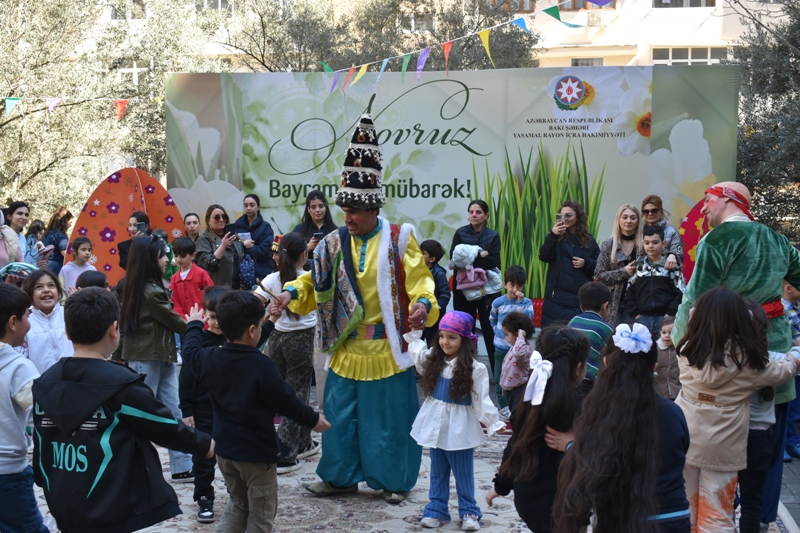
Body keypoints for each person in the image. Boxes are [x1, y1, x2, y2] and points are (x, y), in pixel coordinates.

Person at [270, 113, 439, 504]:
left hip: (386, 350)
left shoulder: (400, 239)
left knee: (387, 423)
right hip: (345, 349)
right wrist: (290, 294)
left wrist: (424, 305)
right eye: (343, 209)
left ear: (375, 208)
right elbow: (314, 280)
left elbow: (421, 283)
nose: (348, 217)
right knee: (340, 419)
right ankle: (339, 477)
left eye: (356, 212)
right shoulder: (331, 242)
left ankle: (394, 482)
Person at [671, 182, 800, 528]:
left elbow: (694, 298)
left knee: (715, 441)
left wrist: (683, 344)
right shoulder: (778, 240)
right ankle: (760, 519)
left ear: (728, 200)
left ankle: (712, 515)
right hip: (774, 345)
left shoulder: (717, 240)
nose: (705, 209)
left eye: (708, 200)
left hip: (723, 351)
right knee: (768, 444)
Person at [32, 288, 214, 533]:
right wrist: (204, 444)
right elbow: (161, 425)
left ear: (67, 332)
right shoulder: (121, 384)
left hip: (62, 498)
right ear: (114, 329)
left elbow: (41, 441)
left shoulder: (45, 381)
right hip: (110, 502)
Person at [183, 291, 330, 533]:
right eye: (261, 326)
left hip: (225, 453)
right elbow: (287, 401)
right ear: (252, 331)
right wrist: (313, 419)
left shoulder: (210, 358)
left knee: (239, 503)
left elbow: (189, 352)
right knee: (261, 518)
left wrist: (193, 325)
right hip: (256, 455)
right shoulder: (263, 366)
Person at [676, 287, 800, 533]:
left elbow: (693, 319)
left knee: (687, 507)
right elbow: (784, 370)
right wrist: (796, 353)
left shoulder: (687, 349)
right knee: (717, 513)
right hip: (723, 447)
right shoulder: (748, 362)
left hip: (687, 438)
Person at [554, 324, 691, 533]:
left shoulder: (598, 413)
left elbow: (593, 468)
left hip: (621, 520)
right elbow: (680, 453)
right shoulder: (673, 412)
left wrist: (572, 445)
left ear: (606, 362)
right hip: (674, 519)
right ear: (654, 366)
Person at [405, 311, 504, 532]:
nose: (445, 342)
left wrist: (492, 422)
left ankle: (469, 511)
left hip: (460, 427)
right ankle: (436, 509)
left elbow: (481, 399)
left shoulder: (475, 369)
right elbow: (418, 355)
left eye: (452, 337)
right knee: (437, 469)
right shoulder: (434, 360)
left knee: (462, 472)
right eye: (442, 336)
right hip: (435, 424)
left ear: (464, 340)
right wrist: (415, 334)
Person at [486, 326, 590, 533]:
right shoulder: (585, 402)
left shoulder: (528, 396)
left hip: (529, 498)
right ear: (579, 367)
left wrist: (501, 485)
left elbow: (516, 445)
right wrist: (573, 443)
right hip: (567, 501)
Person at [113, 235, 193, 482]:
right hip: (145, 359)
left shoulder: (140, 287)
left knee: (173, 410)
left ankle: (182, 465)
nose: (167, 259)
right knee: (142, 414)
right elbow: (175, 321)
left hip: (160, 357)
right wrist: (198, 328)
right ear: (150, 260)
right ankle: (131, 464)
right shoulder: (151, 292)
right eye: (162, 255)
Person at [254, 232, 320, 473]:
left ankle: (303, 443)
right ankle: (285, 453)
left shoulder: (272, 278)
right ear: (305, 254)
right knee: (296, 395)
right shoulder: (308, 279)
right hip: (301, 340)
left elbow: (253, 302)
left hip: (275, 338)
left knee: (280, 393)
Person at [0, 284, 49, 533]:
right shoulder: (19, 367)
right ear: (13, 322)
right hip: (8, 474)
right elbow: (41, 415)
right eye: (27, 316)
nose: (29, 322)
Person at [740, 299, 787, 533]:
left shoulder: (727, 360)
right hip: (760, 438)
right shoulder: (771, 359)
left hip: (730, 434)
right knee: (753, 498)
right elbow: (793, 362)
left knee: (723, 492)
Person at [450, 200, 501, 370]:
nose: (473, 215)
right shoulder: (460, 233)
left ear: (486, 215)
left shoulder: (493, 235)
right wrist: (480, 255)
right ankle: (464, 370)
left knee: (490, 330)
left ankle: (496, 373)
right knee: (464, 329)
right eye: (471, 211)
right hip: (463, 290)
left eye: (478, 212)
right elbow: (456, 259)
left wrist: (470, 258)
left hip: (488, 291)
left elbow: (493, 261)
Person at [539, 200, 600, 326]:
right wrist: (553, 235)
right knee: (553, 338)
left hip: (579, 298)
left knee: (576, 338)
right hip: (556, 299)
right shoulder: (555, 238)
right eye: (562, 215)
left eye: (569, 215)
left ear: (578, 217)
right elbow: (544, 256)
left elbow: (599, 265)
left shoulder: (589, 240)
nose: (565, 218)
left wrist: (586, 263)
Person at [624, 225, 685, 337]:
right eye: (647, 243)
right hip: (642, 319)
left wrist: (669, 314)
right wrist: (636, 314)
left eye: (655, 242)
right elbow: (629, 292)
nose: (650, 246)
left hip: (665, 320)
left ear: (664, 243)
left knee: (663, 351)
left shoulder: (672, 267)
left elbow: (680, 293)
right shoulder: (639, 267)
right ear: (643, 244)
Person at [489, 265, 534, 418]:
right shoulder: (498, 302)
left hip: (519, 351)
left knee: (518, 377)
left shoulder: (526, 303)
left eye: (519, 285)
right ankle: (503, 407)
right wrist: (497, 330)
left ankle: (517, 403)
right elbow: (492, 318)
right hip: (501, 347)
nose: (515, 289)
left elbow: (528, 319)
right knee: (499, 377)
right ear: (505, 284)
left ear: (523, 285)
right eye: (512, 285)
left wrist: (521, 303)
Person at [594, 204, 642, 326]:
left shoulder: (644, 245)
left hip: (637, 305)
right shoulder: (608, 244)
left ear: (638, 221)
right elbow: (599, 274)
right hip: (612, 303)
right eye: (624, 217)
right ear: (618, 220)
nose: (628, 221)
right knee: (612, 342)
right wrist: (624, 272)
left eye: (632, 217)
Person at [17, 270, 73, 373]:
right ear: (30, 296)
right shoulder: (26, 322)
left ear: (59, 293)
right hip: (41, 383)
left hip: (72, 379)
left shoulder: (69, 315)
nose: (46, 290)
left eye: (51, 285)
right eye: (39, 287)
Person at [567, 281, 614, 381]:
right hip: (593, 380)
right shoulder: (607, 329)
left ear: (581, 307)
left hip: (570, 376)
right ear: (605, 306)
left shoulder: (572, 322)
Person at [195, 204, 244, 290]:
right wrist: (223, 246)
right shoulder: (204, 239)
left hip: (237, 289)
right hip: (216, 291)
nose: (221, 220)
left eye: (224, 217)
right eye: (217, 217)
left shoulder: (233, 236)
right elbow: (207, 265)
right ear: (208, 220)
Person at [498, 311, 535, 415]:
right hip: (511, 390)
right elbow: (507, 369)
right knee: (514, 414)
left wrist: (521, 337)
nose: (506, 338)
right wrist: (505, 386)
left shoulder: (525, 350)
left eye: (507, 334)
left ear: (517, 334)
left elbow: (518, 354)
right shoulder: (515, 348)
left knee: (518, 416)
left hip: (519, 390)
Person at [170, 237, 214, 320]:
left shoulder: (202, 274)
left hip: (204, 321)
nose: (178, 259)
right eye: (176, 256)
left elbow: (212, 297)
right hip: (184, 324)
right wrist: (184, 320)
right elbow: (174, 303)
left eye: (182, 256)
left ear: (193, 255)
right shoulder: (174, 278)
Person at [293, 190, 339, 270]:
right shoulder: (299, 229)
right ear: (308, 209)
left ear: (326, 207)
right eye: (313, 207)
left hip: (329, 275)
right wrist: (307, 247)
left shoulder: (334, 230)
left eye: (321, 206)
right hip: (304, 275)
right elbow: (290, 253)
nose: (317, 210)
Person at [234, 194, 274, 281]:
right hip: (240, 274)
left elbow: (265, 251)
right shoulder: (237, 226)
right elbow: (232, 249)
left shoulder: (266, 227)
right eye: (246, 205)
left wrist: (245, 249)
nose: (248, 208)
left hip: (261, 272)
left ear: (258, 207)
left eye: (252, 205)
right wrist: (243, 245)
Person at [420, 239, 451, 348]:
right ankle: (414, 365)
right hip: (417, 316)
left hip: (433, 318)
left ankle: (433, 365)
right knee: (414, 344)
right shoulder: (415, 271)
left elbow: (445, 294)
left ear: (432, 259)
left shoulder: (439, 273)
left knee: (433, 346)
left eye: (423, 253)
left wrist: (435, 308)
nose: (418, 255)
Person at [641, 194, 683, 271]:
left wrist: (673, 255)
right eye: (646, 211)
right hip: (641, 276)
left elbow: (679, 255)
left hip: (665, 275)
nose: (650, 214)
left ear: (661, 211)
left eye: (654, 210)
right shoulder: (638, 231)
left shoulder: (672, 231)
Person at [783, 280, 800, 461]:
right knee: (788, 407)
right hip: (790, 365)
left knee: (795, 408)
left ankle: (792, 440)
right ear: (788, 288)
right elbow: (792, 339)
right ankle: (785, 444)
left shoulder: (797, 307)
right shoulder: (782, 310)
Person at [655, 316, 680, 399]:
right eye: (664, 332)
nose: (667, 336)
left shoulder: (680, 349)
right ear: (660, 333)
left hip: (678, 392)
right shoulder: (655, 348)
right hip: (659, 392)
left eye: (671, 332)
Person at [42, 207, 73, 274]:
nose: (70, 225)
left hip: (47, 268)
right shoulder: (60, 235)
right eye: (70, 222)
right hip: (57, 269)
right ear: (65, 221)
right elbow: (67, 255)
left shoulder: (47, 233)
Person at [5, 201, 34, 266]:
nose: (24, 217)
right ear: (9, 216)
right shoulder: (2, 235)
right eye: (19, 213)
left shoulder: (22, 238)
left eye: (26, 215)